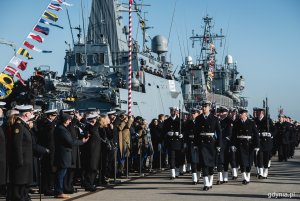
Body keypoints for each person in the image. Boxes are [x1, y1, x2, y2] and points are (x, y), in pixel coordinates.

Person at [53, 113, 89, 199]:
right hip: (63, 154)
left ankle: (59, 191)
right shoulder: (61, 129)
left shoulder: (62, 128)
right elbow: (70, 142)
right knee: (60, 174)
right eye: (69, 119)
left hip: (64, 154)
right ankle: (59, 192)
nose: (70, 121)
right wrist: (82, 142)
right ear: (65, 120)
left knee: (61, 173)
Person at [195, 101, 222, 191]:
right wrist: (195, 144)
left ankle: (210, 182)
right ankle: (206, 183)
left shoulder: (214, 118)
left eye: (205, 107)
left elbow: (219, 132)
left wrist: (219, 144)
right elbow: (196, 132)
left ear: (209, 108)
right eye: (202, 107)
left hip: (212, 143)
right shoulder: (198, 118)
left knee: (211, 165)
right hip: (202, 143)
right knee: (204, 164)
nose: (203, 108)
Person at [10, 105, 34, 201]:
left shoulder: (23, 125)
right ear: (26, 114)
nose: (32, 114)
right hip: (22, 161)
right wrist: (19, 161)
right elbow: (17, 145)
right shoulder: (18, 126)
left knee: (24, 184)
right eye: (31, 113)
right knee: (19, 185)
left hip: (26, 160)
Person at [231, 108, 260, 185]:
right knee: (242, 162)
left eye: (242, 113)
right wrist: (233, 144)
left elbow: (256, 135)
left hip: (249, 144)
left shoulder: (251, 123)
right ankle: (244, 178)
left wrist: (257, 145)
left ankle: (248, 176)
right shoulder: (237, 123)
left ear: (246, 114)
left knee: (249, 163)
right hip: (240, 144)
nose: (240, 114)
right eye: (239, 113)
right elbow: (233, 135)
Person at [164, 107, 185, 180]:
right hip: (170, 142)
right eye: (171, 111)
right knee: (171, 158)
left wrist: (181, 134)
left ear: (176, 112)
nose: (172, 112)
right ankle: (172, 174)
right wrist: (167, 133)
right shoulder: (166, 121)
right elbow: (163, 131)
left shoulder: (180, 121)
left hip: (178, 142)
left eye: (174, 111)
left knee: (178, 158)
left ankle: (177, 171)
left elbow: (184, 130)